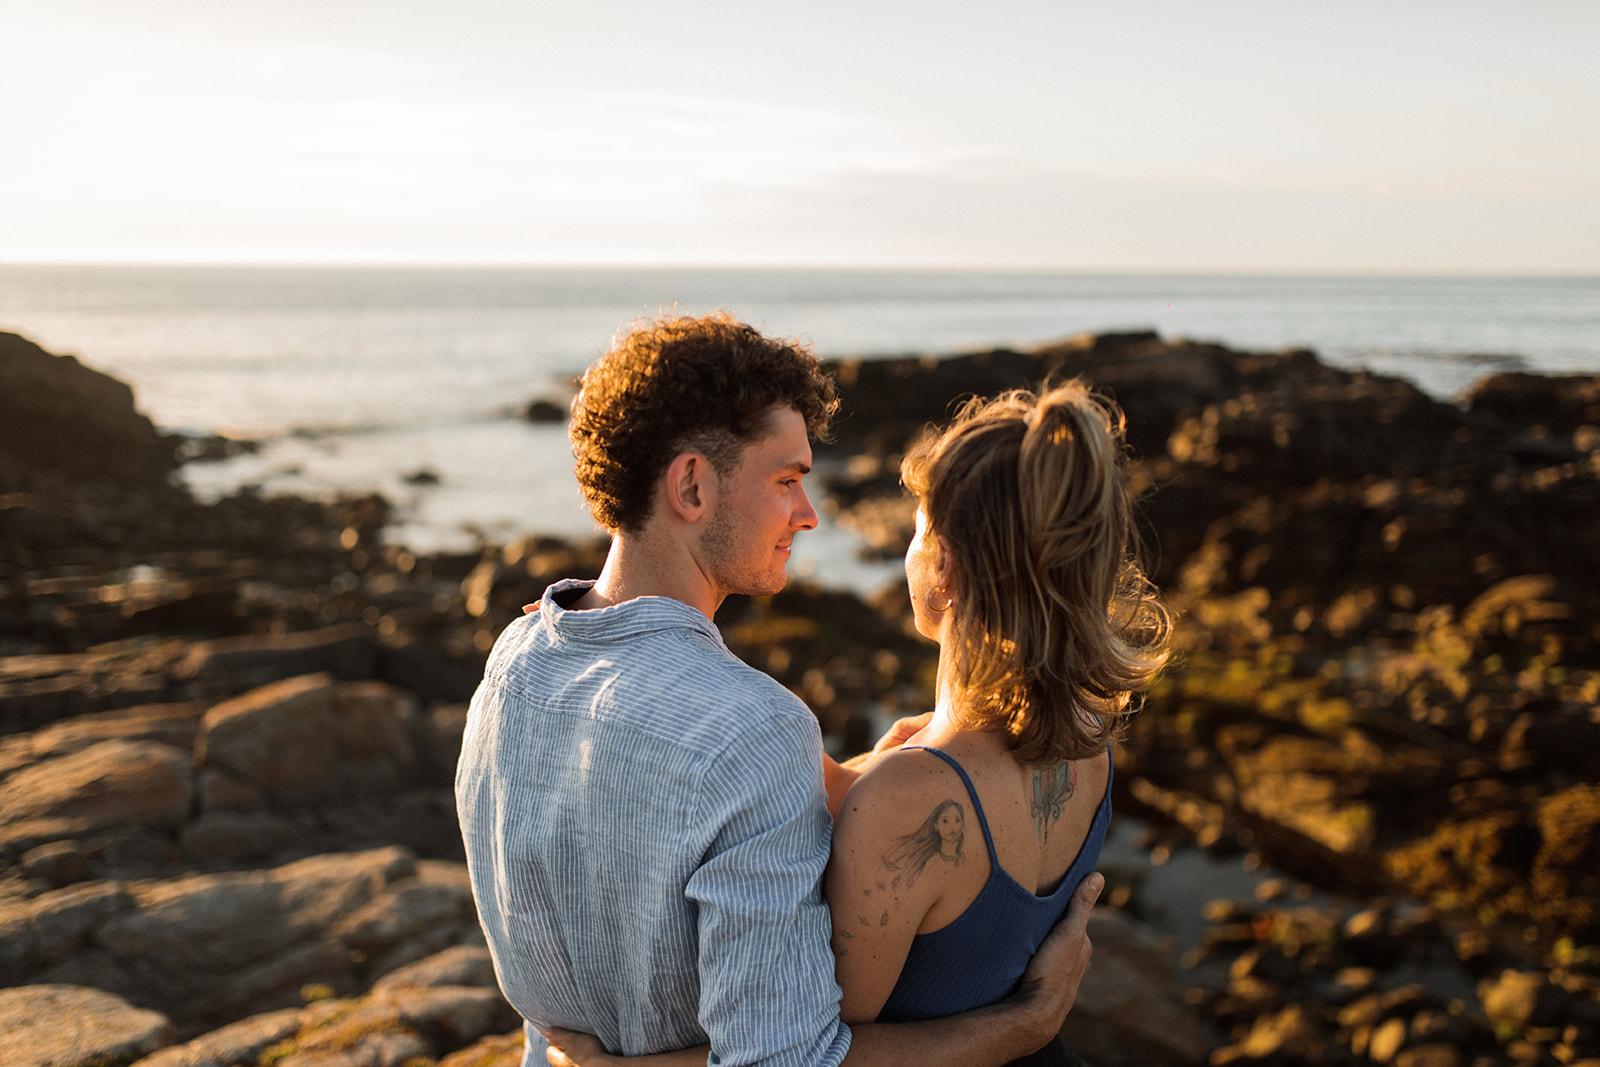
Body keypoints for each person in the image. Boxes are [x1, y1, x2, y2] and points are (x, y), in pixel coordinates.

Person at [456, 313, 1103, 1067]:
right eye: (787, 480)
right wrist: (1023, 1025)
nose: (809, 512)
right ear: (692, 485)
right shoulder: (753, 732)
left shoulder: (512, 660)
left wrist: (841, 778)